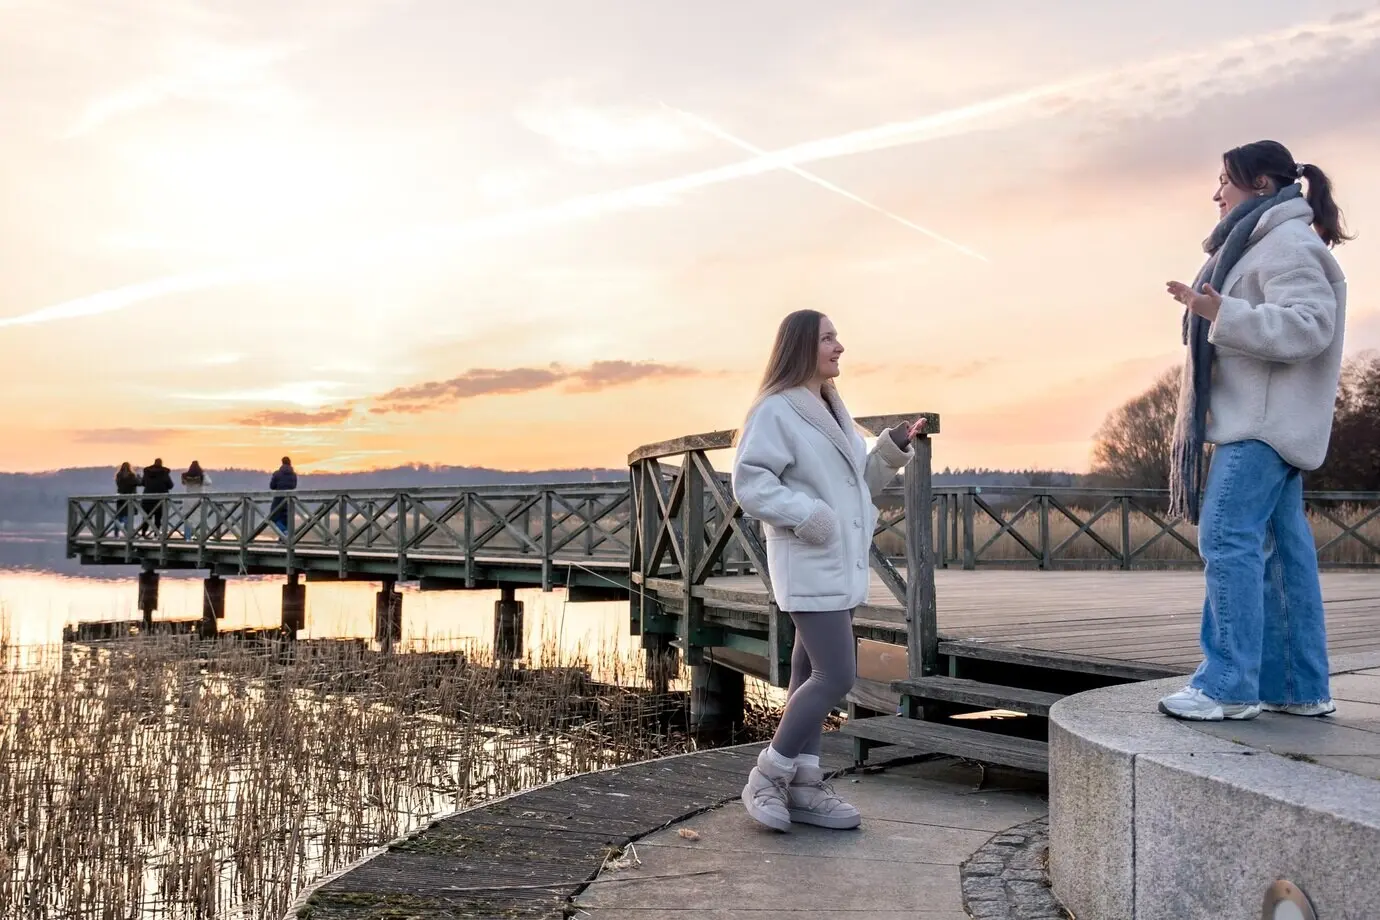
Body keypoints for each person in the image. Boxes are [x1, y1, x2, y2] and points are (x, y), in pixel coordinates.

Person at [1159, 140, 1352, 722]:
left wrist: (1223, 314)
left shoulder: (1287, 244)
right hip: (1269, 421)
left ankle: (1227, 685)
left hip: (1262, 427)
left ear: (1262, 186)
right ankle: (1298, 687)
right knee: (1281, 557)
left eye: (1225, 180)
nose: (1217, 193)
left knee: (1225, 538)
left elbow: (1311, 326)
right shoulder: (1264, 243)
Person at [730, 309, 926, 832]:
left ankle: (805, 787)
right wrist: (808, 516)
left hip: (836, 563)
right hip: (810, 558)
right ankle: (767, 776)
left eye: (838, 337)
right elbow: (749, 483)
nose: (840, 347)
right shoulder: (775, 410)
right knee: (835, 675)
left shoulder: (831, 408)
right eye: (829, 339)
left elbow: (855, 482)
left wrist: (892, 449)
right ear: (801, 347)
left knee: (804, 674)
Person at [140, 458, 175, 536]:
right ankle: (157, 534)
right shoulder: (164, 473)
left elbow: (142, 483)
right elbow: (170, 485)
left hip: (147, 498)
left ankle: (143, 533)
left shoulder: (147, 472)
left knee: (146, 517)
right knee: (158, 518)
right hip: (160, 499)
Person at [269, 456, 298, 535]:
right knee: (286, 519)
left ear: (282, 462)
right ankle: (283, 539)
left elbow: (272, 486)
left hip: (278, 499)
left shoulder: (277, 474)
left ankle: (284, 532)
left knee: (273, 517)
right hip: (290, 500)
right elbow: (294, 486)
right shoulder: (294, 475)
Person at [114, 462, 140, 535]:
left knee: (119, 517)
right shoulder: (131, 476)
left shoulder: (118, 476)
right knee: (128, 517)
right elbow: (139, 483)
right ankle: (127, 534)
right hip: (130, 499)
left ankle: (116, 535)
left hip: (120, 498)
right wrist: (138, 477)